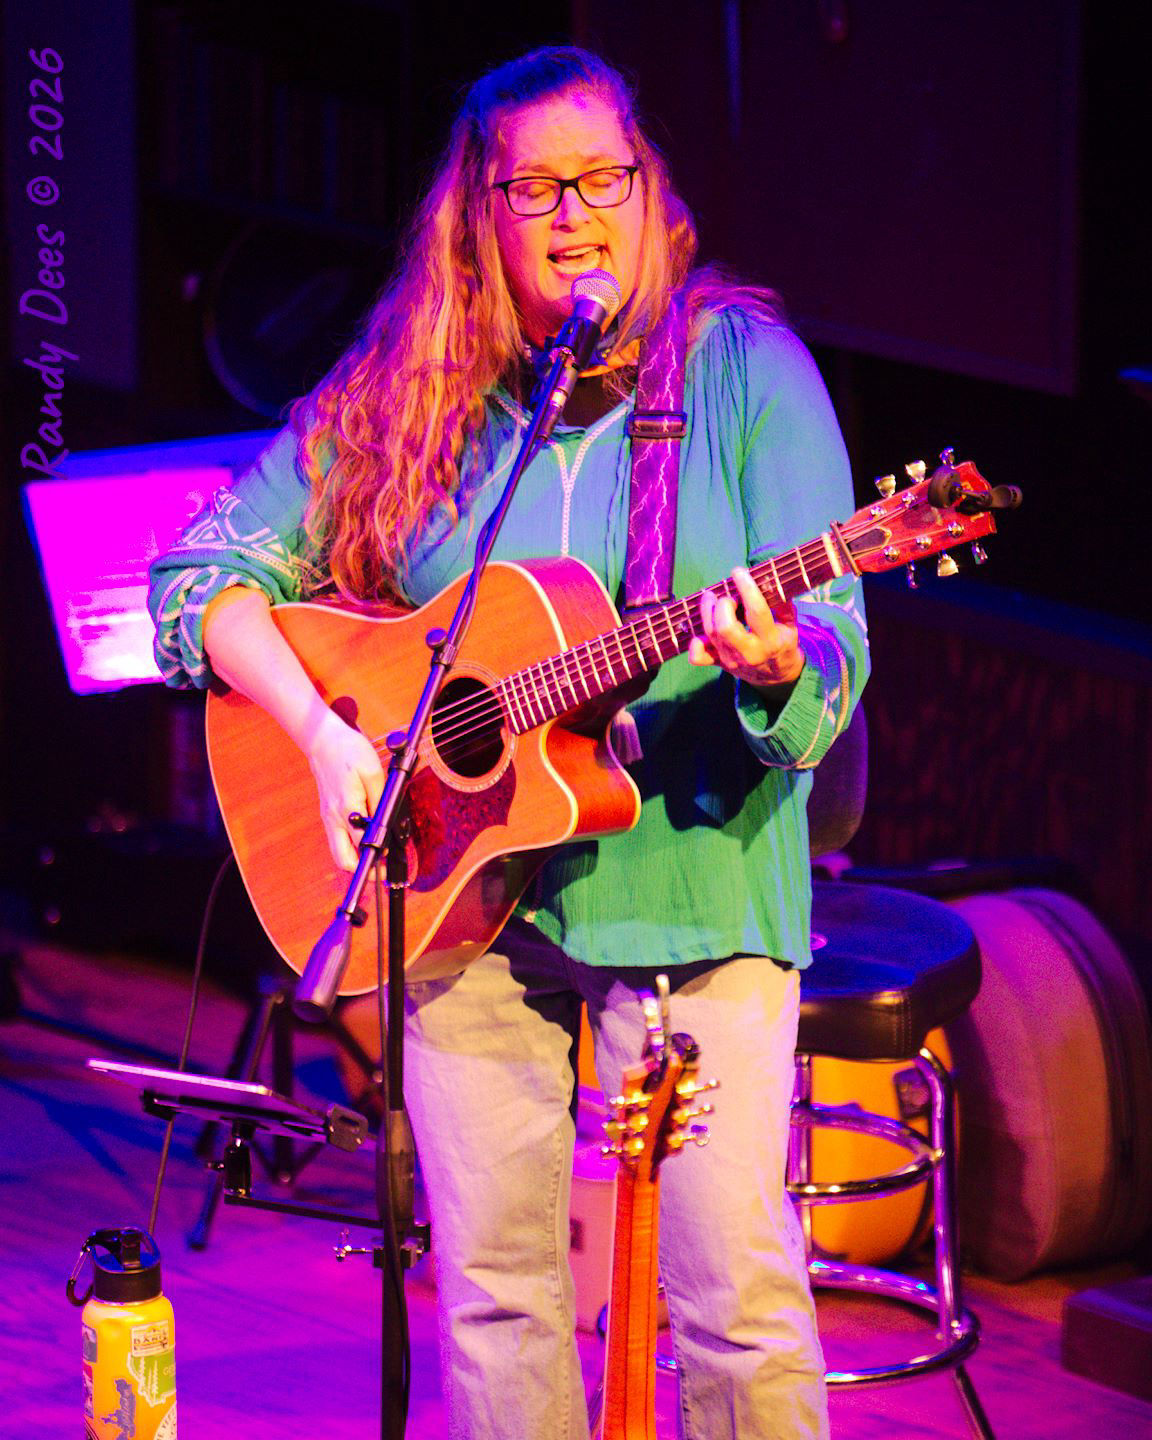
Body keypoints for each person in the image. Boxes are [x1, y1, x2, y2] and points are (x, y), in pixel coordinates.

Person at [149, 46, 868, 1440]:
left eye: (602, 177)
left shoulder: (743, 376)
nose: (572, 214)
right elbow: (201, 580)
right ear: (478, 217)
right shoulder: (420, 390)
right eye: (531, 187)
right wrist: (318, 733)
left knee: (734, 1310)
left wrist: (780, 661)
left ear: (651, 195)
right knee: (491, 1297)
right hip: (456, 907)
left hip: (691, 900)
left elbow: (833, 645)